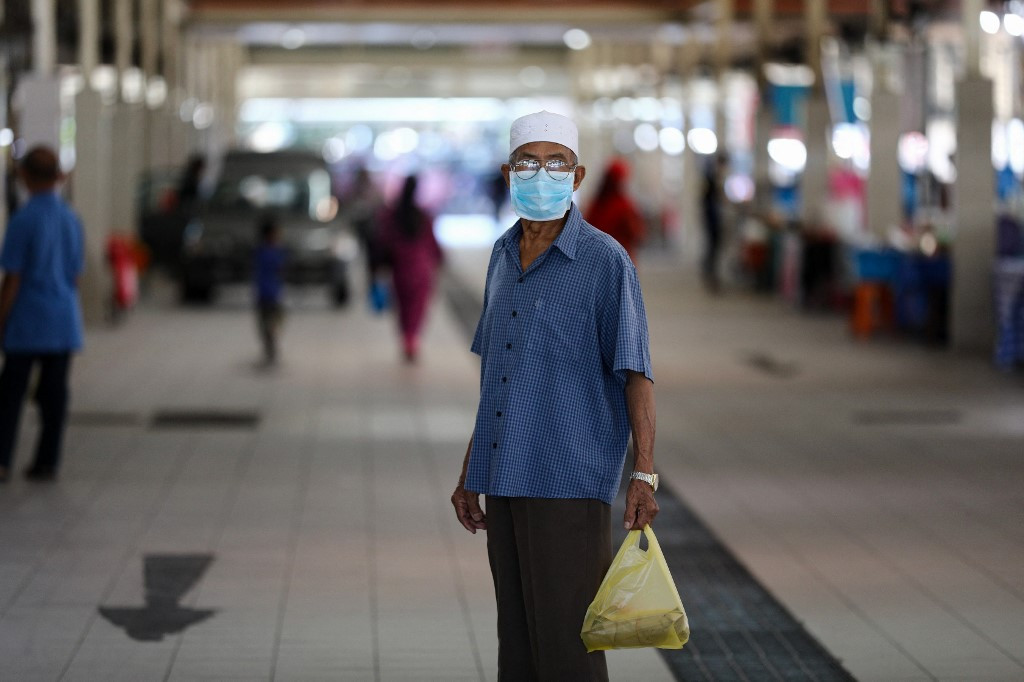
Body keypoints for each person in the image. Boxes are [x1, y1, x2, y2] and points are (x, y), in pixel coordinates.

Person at [450, 111, 659, 680]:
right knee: (516, 640)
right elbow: (500, 374)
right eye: (527, 163)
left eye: (555, 162)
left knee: (568, 644)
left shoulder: (604, 261)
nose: (540, 173)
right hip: (505, 477)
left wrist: (643, 473)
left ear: (578, 173)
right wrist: (473, 469)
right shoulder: (499, 255)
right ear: (507, 171)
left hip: (568, 477)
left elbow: (636, 372)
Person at [0, 146, 85, 483]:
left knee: (10, 394)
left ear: (25, 176)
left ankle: (2, 459)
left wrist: (1, 318)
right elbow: (77, 274)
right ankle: (47, 461)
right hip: (63, 320)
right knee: (54, 395)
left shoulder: (24, 219)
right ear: (59, 176)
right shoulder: (71, 218)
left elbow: (13, 278)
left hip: (28, 321)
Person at [375, 175, 443, 362]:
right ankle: (411, 339)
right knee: (417, 307)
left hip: (399, 269)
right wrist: (440, 259)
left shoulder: (392, 215)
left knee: (403, 307)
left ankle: (407, 339)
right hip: (421, 269)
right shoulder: (423, 216)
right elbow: (433, 243)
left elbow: (383, 241)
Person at [585, 158, 646, 264]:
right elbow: (638, 235)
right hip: (621, 262)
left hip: (595, 261)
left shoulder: (595, 205)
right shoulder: (624, 206)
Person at [253, 215, 286, 366]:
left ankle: (269, 349)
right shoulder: (272, 252)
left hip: (262, 293)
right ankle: (271, 349)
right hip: (271, 294)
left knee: (265, 324)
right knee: (272, 322)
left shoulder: (259, 251)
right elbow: (280, 267)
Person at [701, 154, 727, 293]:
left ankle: (711, 274)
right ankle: (711, 275)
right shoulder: (711, 179)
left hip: (713, 219)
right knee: (713, 248)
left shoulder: (713, 179)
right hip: (712, 220)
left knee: (713, 249)